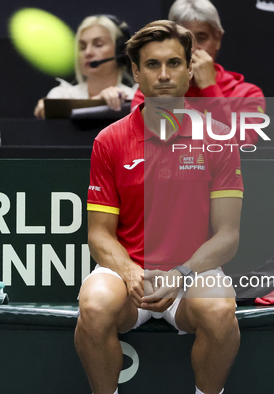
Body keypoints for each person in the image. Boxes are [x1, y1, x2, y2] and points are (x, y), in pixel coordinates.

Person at [77, 20, 242, 394]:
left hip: (192, 274)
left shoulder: (218, 139)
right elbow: (99, 235)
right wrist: (130, 273)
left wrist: (181, 273)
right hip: (128, 277)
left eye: (173, 63)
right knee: (95, 306)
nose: (164, 74)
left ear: (189, 70)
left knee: (219, 312)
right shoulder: (110, 141)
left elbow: (228, 236)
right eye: (152, 65)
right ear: (136, 72)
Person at [130, 0, 265, 145]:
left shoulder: (247, 94)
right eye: (184, 40)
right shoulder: (152, 88)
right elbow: (143, 141)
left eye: (201, 38)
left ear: (218, 39)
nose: (192, 49)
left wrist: (209, 88)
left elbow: (240, 145)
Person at [34, 15, 138, 118]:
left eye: (98, 44)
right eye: (82, 47)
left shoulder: (134, 98)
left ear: (120, 51)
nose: (88, 52)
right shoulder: (61, 94)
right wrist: (99, 102)